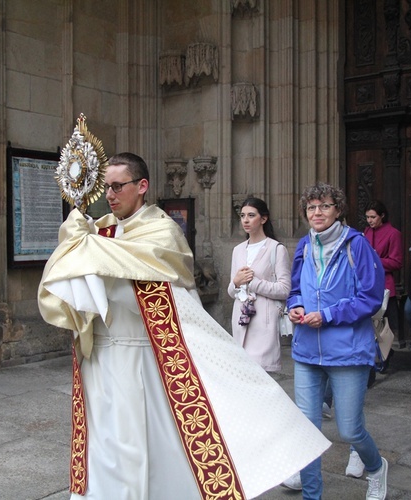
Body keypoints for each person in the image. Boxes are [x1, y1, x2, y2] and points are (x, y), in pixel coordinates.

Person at [38, 152, 329, 499]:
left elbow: (149, 292)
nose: (110, 195)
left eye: (118, 186)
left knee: (141, 447)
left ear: (142, 186)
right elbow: (69, 284)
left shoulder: (161, 231)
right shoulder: (101, 231)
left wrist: (91, 256)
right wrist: (77, 247)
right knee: (104, 446)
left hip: (141, 359)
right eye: (106, 187)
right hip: (99, 359)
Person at [283, 182, 388, 500]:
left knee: (350, 428)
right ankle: (311, 495)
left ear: (338, 210)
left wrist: (327, 315)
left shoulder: (357, 245)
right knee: (307, 428)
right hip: (306, 350)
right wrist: (295, 305)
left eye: (324, 206)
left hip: (347, 350)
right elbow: (296, 288)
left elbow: (370, 298)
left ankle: (376, 468)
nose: (317, 212)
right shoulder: (304, 245)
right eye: (311, 207)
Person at [227, 197, 290, 372]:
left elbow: (284, 289)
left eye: (251, 215)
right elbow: (232, 291)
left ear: (263, 219)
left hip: (264, 321)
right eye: (242, 216)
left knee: (262, 376)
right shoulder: (238, 250)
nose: (245, 220)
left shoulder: (276, 249)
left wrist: (253, 283)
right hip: (240, 320)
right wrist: (236, 282)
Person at [364, 200, 404, 350]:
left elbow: (396, 262)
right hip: (367, 283)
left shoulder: (393, 234)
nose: (370, 221)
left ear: (382, 216)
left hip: (384, 285)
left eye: (373, 217)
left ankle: (384, 355)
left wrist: (374, 260)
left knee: (383, 324)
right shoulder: (367, 231)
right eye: (368, 217)